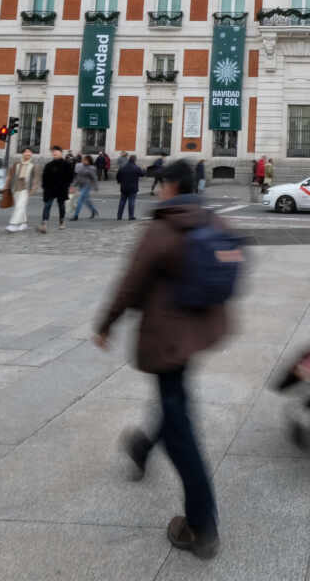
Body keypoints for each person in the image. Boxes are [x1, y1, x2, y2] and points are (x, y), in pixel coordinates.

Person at [92, 159, 231, 560]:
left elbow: (130, 284)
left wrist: (106, 324)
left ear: (171, 186)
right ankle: (141, 445)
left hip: (167, 338)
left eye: (160, 184)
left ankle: (201, 527)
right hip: (196, 333)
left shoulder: (163, 227)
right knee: (174, 398)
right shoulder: (212, 220)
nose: (157, 190)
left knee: (180, 431)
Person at [39, 146, 75, 232]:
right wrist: (44, 188)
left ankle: (61, 221)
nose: (54, 153)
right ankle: (44, 223)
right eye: (53, 151)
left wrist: (67, 186)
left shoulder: (67, 164)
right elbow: (44, 177)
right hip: (50, 189)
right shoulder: (48, 165)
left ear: (61, 152)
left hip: (61, 189)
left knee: (61, 206)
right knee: (47, 205)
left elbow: (70, 177)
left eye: (56, 151)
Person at [6, 147, 36, 232]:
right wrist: (7, 185)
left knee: (19, 206)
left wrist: (33, 189)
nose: (27, 153)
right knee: (20, 206)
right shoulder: (17, 164)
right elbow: (10, 175)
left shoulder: (33, 165)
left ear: (31, 154)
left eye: (29, 152)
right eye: (26, 152)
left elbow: (36, 179)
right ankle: (24, 223)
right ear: (23, 154)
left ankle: (13, 224)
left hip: (26, 189)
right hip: (16, 188)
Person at [71, 155, 100, 221]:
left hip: (87, 186)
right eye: (83, 160)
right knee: (86, 201)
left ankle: (75, 216)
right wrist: (73, 185)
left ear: (89, 161)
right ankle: (93, 211)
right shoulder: (80, 167)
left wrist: (96, 186)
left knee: (80, 200)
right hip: (81, 186)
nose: (84, 161)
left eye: (85, 160)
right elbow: (78, 177)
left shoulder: (92, 168)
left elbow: (94, 178)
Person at [117, 154, 144, 220]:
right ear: (135, 160)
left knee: (122, 201)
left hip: (124, 187)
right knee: (131, 201)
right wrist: (144, 170)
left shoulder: (123, 167)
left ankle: (119, 216)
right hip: (133, 187)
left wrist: (120, 181)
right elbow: (142, 174)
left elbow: (118, 176)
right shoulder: (136, 168)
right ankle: (131, 216)